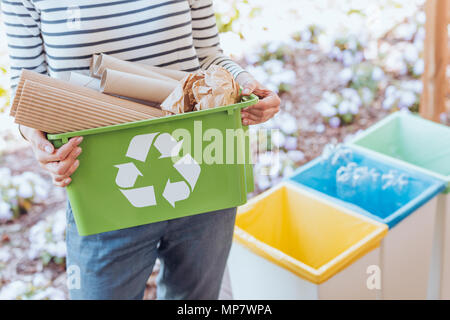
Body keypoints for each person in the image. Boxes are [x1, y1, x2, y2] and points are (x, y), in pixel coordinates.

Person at [2, 0, 280, 299]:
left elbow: (208, 55)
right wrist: (38, 141)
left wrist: (246, 85)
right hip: (101, 184)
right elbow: (27, 86)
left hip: (201, 163)